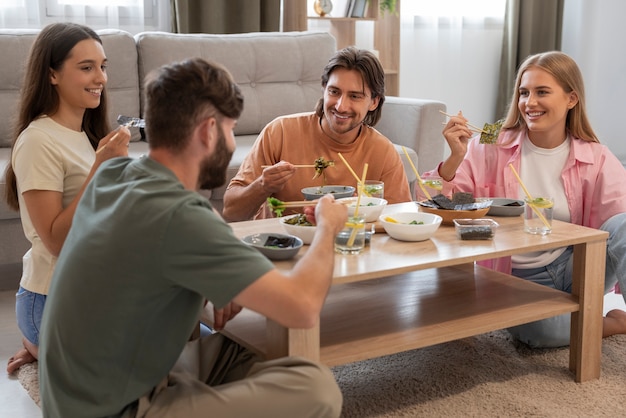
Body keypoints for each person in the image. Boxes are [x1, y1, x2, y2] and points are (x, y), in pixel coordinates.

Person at [38, 57, 346, 418]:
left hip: (78, 395)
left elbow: (159, 243)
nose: (232, 144)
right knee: (317, 389)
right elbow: (303, 306)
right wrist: (328, 226)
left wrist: (212, 271)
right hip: (114, 410)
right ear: (208, 132)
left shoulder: (114, 173)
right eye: (231, 130)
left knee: (253, 342)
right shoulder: (178, 216)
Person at [421, 51, 626, 348]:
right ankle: (610, 322)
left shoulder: (595, 157)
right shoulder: (489, 147)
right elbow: (436, 203)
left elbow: (619, 224)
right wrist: (455, 158)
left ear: (571, 99)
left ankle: (585, 312)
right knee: (540, 333)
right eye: (524, 92)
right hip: (515, 277)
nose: (530, 103)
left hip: (576, 267)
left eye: (542, 92)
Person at [3, 22, 130, 375]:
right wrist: (101, 170)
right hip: (53, 297)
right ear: (52, 75)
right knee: (124, 372)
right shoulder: (38, 141)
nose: (101, 78)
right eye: (86, 67)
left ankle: (47, 347)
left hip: (97, 289)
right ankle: (37, 341)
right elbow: (57, 240)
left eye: (103, 66)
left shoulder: (88, 136)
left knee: (189, 339)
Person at [222, 46, 411, 221]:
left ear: (374, 102)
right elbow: (231, 213)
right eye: (334, 92)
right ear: (324, 89)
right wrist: (262, 186)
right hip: (280, 246)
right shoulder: (279, 132)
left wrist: (361, 212)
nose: (341, 106)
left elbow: (398, 220)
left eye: (355, 96)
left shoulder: (383, 152)